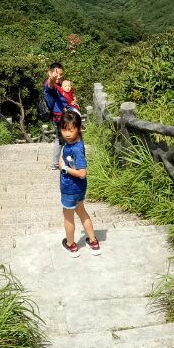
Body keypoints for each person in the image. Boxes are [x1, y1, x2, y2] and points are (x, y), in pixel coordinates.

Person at [57, 109, 100, 256]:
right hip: (79, 188)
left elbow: (82, 173)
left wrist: (64, 168)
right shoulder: (77, 142)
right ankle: (93, 242)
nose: (67, 134)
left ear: (79, 129)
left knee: (68, 217)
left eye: (71, 130)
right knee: (81, 211)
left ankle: (71, 245)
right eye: (64, 129)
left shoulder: (76, 149)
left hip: (70, 188)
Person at [41, 61, 69, 169]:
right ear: (50, 73)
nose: (59, 76)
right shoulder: (50, 86)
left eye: (61, 74)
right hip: (58, 118)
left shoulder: (58, 86)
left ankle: (57, 163)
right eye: (57, 74)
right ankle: (57, 163)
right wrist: (52, 78)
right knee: (62, 139)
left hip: (61, 116)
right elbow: (50, 83)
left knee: (61, 138)